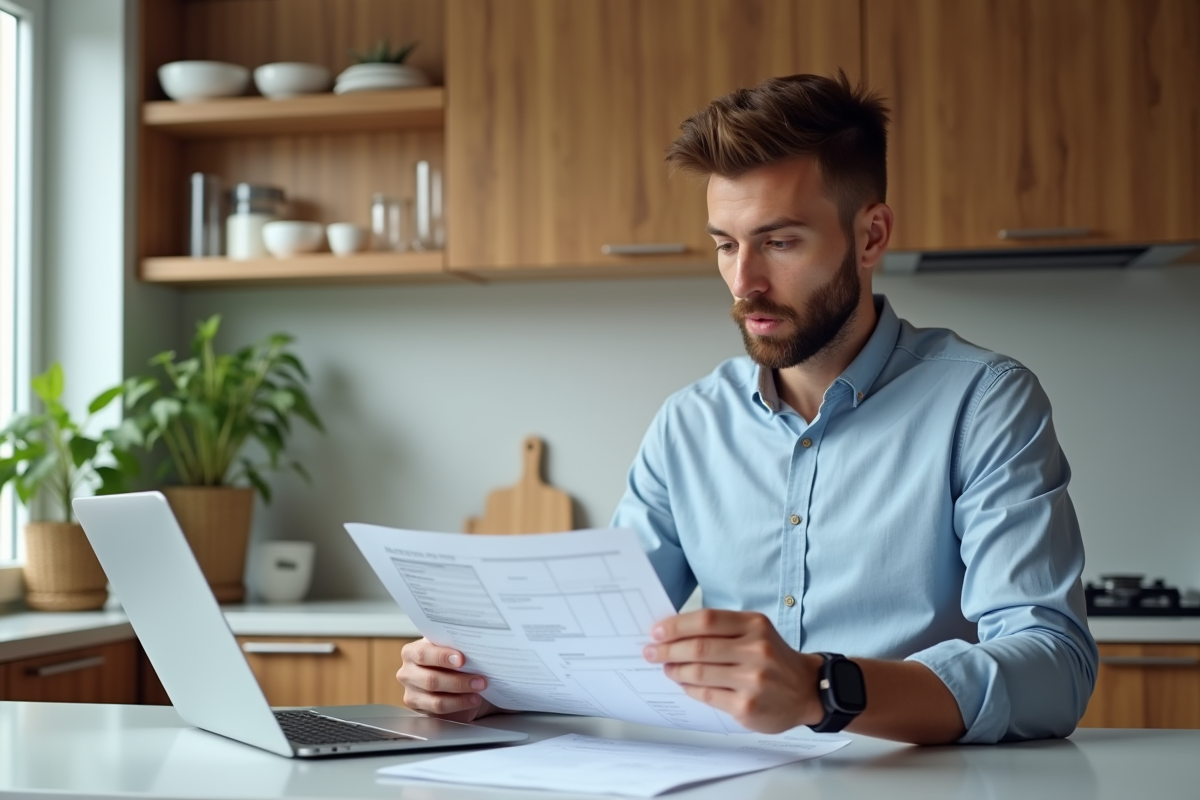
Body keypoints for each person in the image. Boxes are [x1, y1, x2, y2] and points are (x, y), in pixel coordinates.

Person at [396, 72, 1098, 745]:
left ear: (871, 236)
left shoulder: (984, 402)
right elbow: (596, 643)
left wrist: (823, 689)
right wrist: (486, 680)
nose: (744, 283)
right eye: (726, 245)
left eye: (779, 242)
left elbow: (1053, 668)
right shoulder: (688, 423)